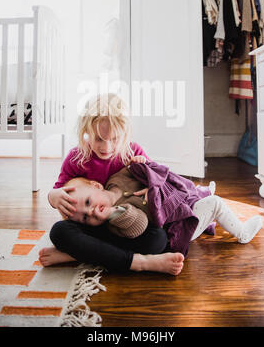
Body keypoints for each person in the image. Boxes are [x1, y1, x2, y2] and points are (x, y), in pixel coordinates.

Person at [39, 93, 184, 276]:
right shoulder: (76, 157)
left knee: (158, 239)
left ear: (124, 133)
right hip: (91, 226)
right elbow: (59, 190)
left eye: (115, 139)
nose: (106, 148)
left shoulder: (133, 151)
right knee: (59, 232)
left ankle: (79, 254)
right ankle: (140, 262)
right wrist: (53, 196)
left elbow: (158, 181)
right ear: (86, 132)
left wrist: (150, 186)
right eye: (99, 139)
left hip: (125, 224)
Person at [48, 162, 263, 254]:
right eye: (86, 218)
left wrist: (147, 173)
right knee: (215, 204)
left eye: (87, 203)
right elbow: (139, 225)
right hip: (178, 229)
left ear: (96, 185)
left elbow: (145, 170)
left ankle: (199, 194)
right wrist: (113, 213)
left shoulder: (116, 177)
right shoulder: (114, 220)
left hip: (175, 206)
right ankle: (242, 233)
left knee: (187, 190)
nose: (93, 211)